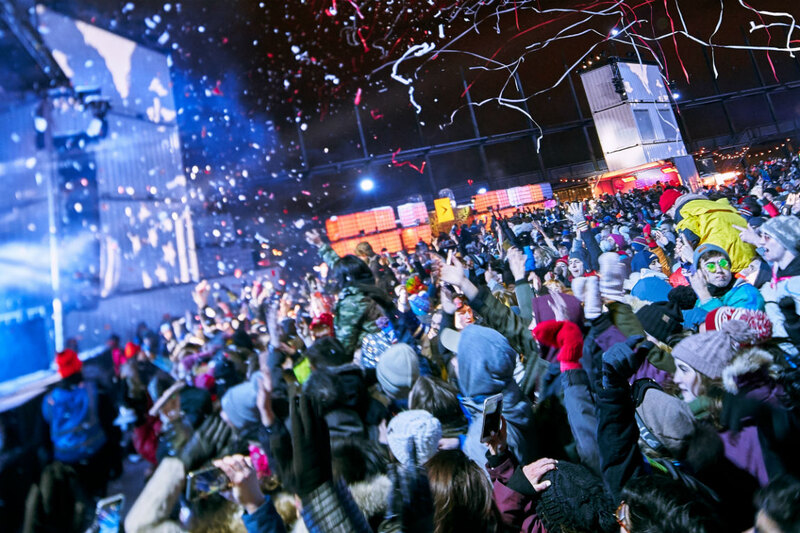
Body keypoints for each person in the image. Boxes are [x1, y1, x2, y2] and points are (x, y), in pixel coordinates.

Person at [41, 349, 114, 499]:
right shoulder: (92, 390)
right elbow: (110, 420)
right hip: (96, 455)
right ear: (78, 367)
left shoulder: (49, 401)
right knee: (100, 497)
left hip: (66, 461)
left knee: (79, 499)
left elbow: (43, 436)